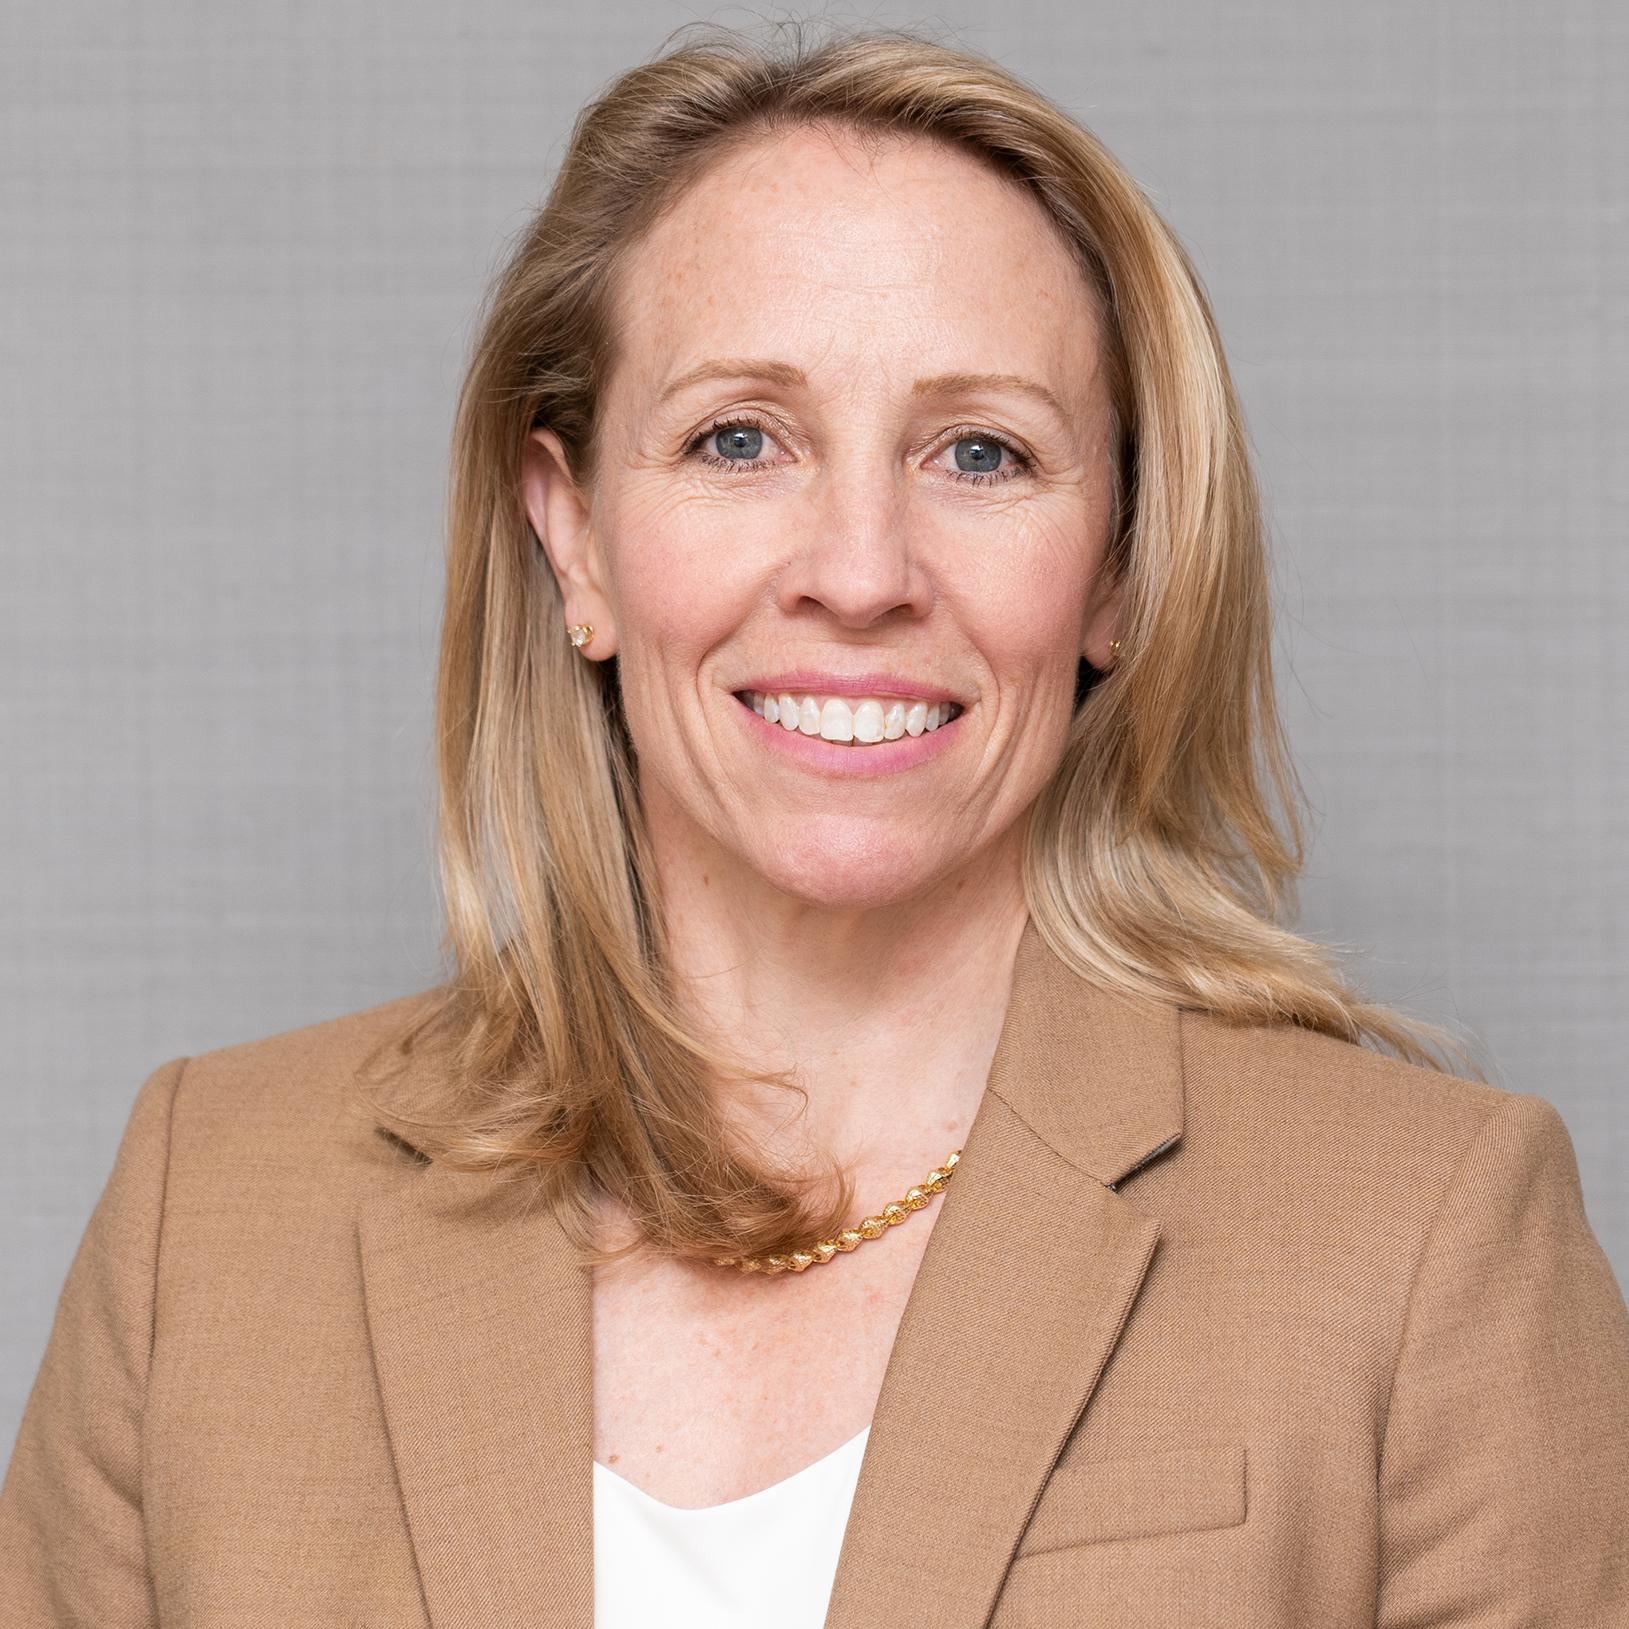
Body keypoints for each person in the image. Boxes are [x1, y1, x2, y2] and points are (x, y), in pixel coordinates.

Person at [4, 20, 1627, 1628]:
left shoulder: (1424, 1239)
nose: (859, 569)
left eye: (980, 452)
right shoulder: (204, 1212)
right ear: (573, 541)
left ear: (1119, 568)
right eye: (737, 439)